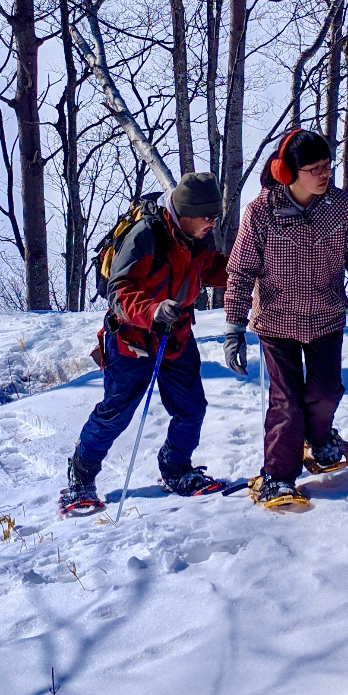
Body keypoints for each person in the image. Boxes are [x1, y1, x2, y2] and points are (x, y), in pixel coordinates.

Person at [223, 129, 348, 506]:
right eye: (314, 168)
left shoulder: (341, 207)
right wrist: (234, 328)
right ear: (287, 172)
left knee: (324, 393)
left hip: (326, 319)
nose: (325, 173)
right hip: (277, 323)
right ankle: (278, 477)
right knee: (286, 402)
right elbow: (241, 271)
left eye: (328, 165)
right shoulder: (261, 212)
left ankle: (320, 438)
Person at [61, 172, 230, 515]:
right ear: (186, 212)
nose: (213, 223)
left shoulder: (200, 237)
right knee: (116, 413)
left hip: (177, 337)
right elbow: (119, 292)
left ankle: (176, 468)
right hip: (132, 339)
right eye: (208, 217)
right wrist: (152, 310)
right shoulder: (146, 235)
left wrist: (253, 275)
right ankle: (80, 477)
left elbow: (213, 269)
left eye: (216, 217)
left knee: (191, 409)